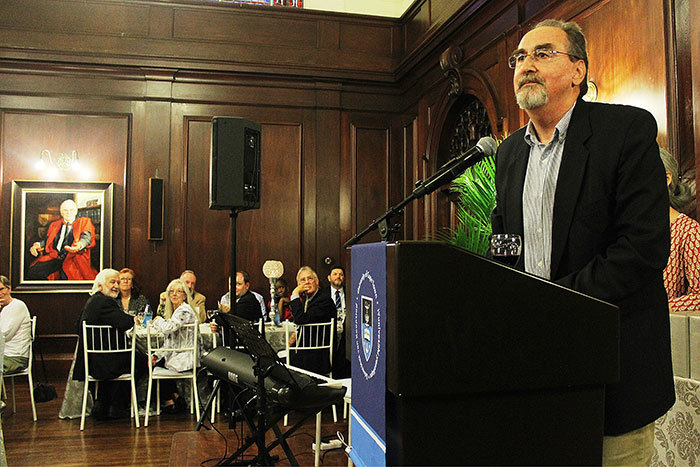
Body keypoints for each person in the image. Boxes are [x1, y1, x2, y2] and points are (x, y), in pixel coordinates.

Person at [490, 19, 674, 464]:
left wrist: (554, 303)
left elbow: (643, 247)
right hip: (535, 374)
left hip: (613, 373)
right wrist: (496, 291)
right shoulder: (510, 153)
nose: (525, 65)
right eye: (519, 58)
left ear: (579, 71)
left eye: (542, 53)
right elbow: (504, 241)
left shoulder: (625, 131)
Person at [73, 269, 141, 420]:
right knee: (141, 360)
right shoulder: (105, 301)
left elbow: (76, 325)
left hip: (91, 359)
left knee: (128, 357)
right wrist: (133, 319)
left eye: (117, 282)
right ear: (100, 285)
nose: (116, 286)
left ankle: (102, 403)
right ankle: (118, 405)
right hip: (102, 363)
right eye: (112, 282)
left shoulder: (92, 301)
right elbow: (124, 322)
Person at [140, 279, 196, 414]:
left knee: (150, 365)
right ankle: (174, 397)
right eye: (171, 291)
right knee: (152, 361)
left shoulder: (184, 311)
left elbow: (168, 328)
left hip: (185, 358)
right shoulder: (177, 311)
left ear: (185, 295)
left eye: (179, 291)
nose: (174, 294)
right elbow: (170, 342)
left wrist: (157, 320)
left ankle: (165, 401)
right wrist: (156, 355)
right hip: (176, 354)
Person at [660, 148, 700, 312]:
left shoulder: (689, 231)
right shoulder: (624, 228)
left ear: (667, 178)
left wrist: (657, 311)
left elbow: (699, 296)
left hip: (669, 332)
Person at [27, 199, 98, 281]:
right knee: (33, 272)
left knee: (67, 277)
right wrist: (38, 245)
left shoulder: (83, 222)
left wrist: (79, 246)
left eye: (71, 210)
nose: (68, 213)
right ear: (61, 212)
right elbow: (48, 240)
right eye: (65, 210)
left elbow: (86, 238)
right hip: (55, 257)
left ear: (76, 211)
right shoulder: (54, 225)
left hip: (73, 258)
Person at [288, 266, 336, 375]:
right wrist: (296, 333)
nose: (307, 282)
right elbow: (308, 320)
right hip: (305, 351)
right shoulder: (308, 298)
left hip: (317, 355)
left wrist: (295, 294)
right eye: (302, 280)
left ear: (317, 281)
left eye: (310, 278)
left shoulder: (324, 299)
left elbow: (300, 319)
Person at [0, 276, 32, 373]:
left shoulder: (17, 305)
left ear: (9, 288)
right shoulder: (3, 308)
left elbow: (4, 335)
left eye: (1, 289)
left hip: (14, 357)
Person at [328, 265, 350, 378]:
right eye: (335, 274)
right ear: (329, 278)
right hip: (328, 333)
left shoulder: (351, 293)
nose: (338, 277)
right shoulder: (323, 294)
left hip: (347, 335)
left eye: (341, 274)